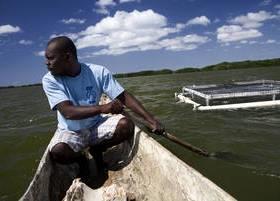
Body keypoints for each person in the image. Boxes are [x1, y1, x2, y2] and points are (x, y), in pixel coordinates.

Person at [42, 36, 164, 176]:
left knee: (126, 125)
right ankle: (81, 159)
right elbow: (68, 112)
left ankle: (97, 149)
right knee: (58, 152)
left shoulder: (98, 71)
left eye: (50, 58)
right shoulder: (50, 79)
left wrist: (151, 120)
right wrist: (104, 108)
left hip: (95, 125)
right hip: (71, 130)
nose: (47, 63)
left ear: (67, 57)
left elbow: (123, 97)